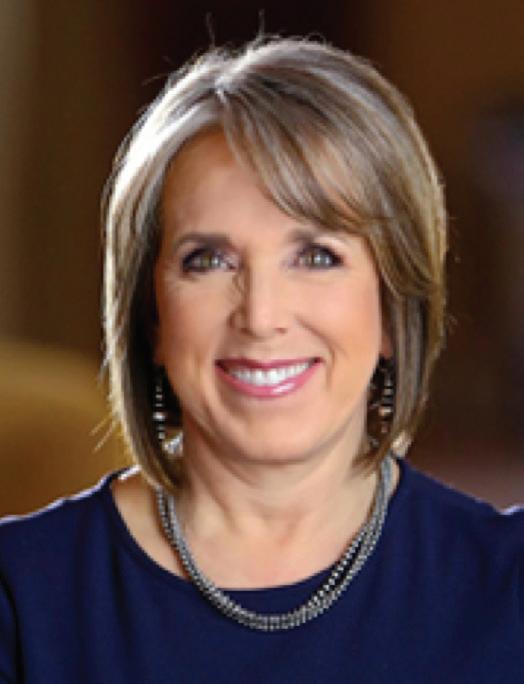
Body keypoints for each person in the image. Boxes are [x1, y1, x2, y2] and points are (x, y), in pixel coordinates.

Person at [0, 37, 522, 683]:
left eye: (317, 256)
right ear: (151, 314)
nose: (261, 315)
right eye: (209, 260)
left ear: (393, 306)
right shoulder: (20, 597)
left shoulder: (508, 589)